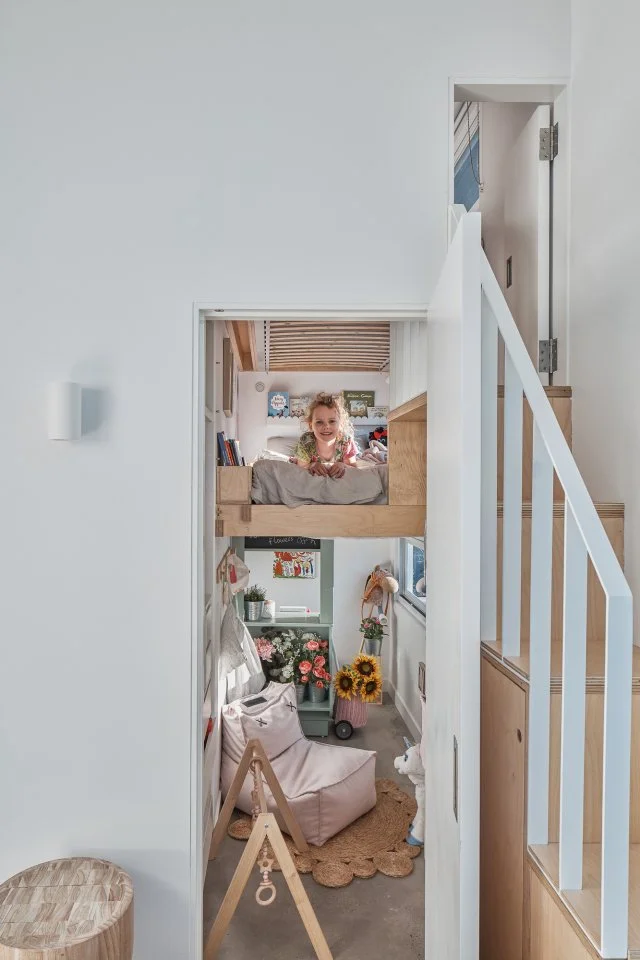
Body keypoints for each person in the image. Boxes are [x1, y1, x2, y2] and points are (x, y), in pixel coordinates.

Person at [290, 393, 357, 478]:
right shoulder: (306, 442)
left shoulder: (345, 442)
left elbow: (354, 468)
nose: (326, 426)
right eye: (319, 422)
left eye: (332, 421)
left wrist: (343, 465)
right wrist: (311, 465)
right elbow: (300, 468)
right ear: (311, 425)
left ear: (340, 424)